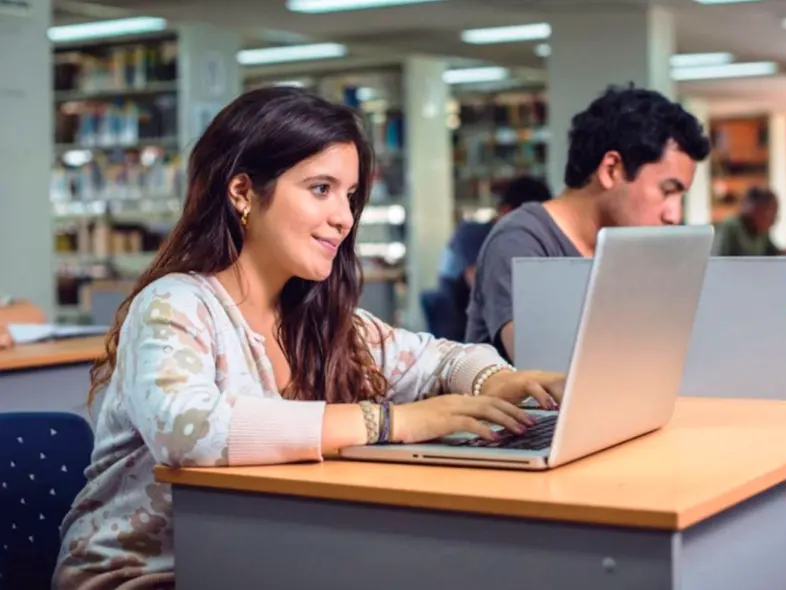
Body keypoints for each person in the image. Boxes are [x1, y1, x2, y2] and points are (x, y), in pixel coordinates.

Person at [53, 87, 564, 589]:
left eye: (350, 195)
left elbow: (437, 359)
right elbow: (188, 432)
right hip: (144, 576)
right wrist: (390, 422)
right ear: (242, 192)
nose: (344, 217)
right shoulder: (175, 304)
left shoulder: (318, 317)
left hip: (260, 563)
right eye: (321, 189)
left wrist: (495, 380)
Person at [465, 84, 711, 361]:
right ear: (611, 169)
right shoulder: (519, 242)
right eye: (667, 191)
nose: (674, 215)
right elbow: (544, 367)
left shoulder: (629, 250)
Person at [426, 176, 552, 340]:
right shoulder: (472, 233)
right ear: (506, 211)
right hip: (459, 323)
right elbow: (480, 282)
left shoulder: (524, 243)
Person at [712, 187, 780, 257]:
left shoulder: (762, 234)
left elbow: (775, 254)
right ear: (755, 209)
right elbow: (717, 257)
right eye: (770, 214)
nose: (773, 220)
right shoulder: (730, 229)